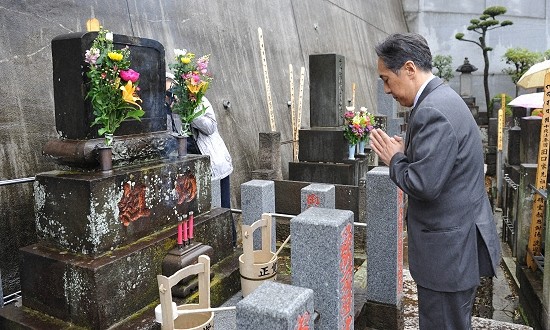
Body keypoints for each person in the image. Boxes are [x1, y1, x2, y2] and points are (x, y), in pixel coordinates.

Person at [369, 33, 501, 329]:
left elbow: (424, 185)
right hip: (455, 245)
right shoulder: (441, 98)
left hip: (447, 253)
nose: (387, 89)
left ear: (410, 69)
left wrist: (395, 159)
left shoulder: (432, 109)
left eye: (387, 79)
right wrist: (408, 151)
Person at [166, 73, 236, 246]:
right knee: (198, 211)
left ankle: (229, 244)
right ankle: (206, 247)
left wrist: (189, 111)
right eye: (166, 92)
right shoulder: (167, 111)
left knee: (222, 206)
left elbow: (211, 127)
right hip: (190, 166)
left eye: (171, 89)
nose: (170, 96)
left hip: (213, 163)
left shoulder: (199, 100)